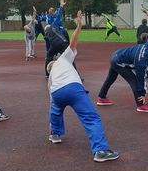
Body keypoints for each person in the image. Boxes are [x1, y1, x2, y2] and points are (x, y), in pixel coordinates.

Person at [47, 10, 119, 162]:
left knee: (56, 110)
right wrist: (79, 26)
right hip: (73, 88)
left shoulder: (51, 76)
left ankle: (54, 134)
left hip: (56, 92)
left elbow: (52, 103)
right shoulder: (63, 60)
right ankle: (100, 150)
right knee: (91, 118)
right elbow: (72, 42)